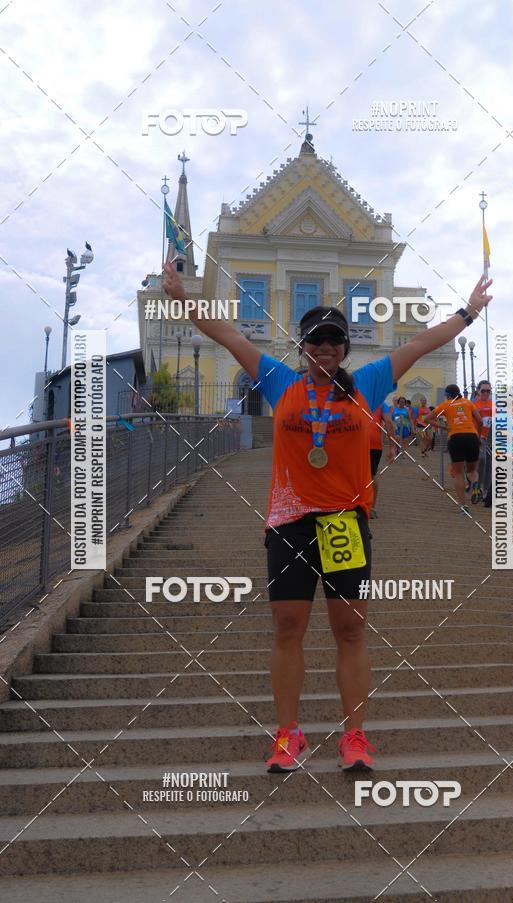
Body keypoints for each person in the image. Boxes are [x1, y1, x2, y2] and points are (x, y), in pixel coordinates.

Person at [164, 261, 492, 771]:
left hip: (344, 522)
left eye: (334, 341)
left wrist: (468, 311)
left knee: (351, 631)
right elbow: (225, 333)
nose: (325, 349)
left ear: (345, 348)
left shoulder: (368, 382)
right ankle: (288, 734)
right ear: (302, 344)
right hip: (290, 521)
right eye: (316, 340)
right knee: (288, 626)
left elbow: (422, 344)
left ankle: (354, 736)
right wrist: (181, 295)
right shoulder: (277, 381)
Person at [424, 385, 483, 515]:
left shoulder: (446, 404)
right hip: (471, 436)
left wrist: (444, 428)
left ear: (448, 395)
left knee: (458, 473)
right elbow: (480, 421)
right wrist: (477, 436)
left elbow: (427, 419)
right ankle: (476, 484)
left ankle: (464, 506)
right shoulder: (468, 403)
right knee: (472, 470)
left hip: (455, 437)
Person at [369, 402, 394, 518]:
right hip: (374, 442)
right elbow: (388, 422)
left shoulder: (355, 396)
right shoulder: (381, 404)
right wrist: (392, 447)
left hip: (356, 441)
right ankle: (372, 508)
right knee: (372, 475)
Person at [474, 380, 494, 506]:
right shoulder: (474, 406)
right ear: (478, 391)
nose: (486, 393)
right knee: (481, 461)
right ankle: (478, 487)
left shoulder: (494, 405)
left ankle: (485, 490)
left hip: (490, 439)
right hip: (478, 438)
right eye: (483, 390)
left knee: (489, 465)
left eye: (488, 390)